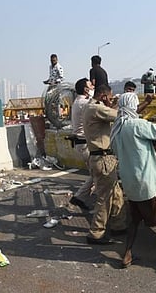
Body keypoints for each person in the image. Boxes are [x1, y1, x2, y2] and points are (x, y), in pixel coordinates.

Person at [110, 93, 156, 267]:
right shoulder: (137, 125)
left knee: (135, 221)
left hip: (130, 184)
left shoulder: (117, 129)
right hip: (147, 183)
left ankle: (127, 254)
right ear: (132, 106)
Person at [83, 84, 126, 244]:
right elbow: (121, 116)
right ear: (102, 96)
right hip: (103, 158)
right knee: (105, 198)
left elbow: (110, 113)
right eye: (109, 97)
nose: (110, 99)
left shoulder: (91, 107)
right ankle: (96, 233)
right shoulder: (96, 109)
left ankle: (119, 225)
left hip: (101, 158)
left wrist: (112, 102)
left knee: (116, 193)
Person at [69, 78, 95, 211]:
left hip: (81, 143)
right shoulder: (84, 103)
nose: (92, 86)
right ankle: (79, 197)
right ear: (85, 89)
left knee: (95, 173)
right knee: (97, 173)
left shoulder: (78, 102)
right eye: (90, 85)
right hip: (84, 144)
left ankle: (80, 197)